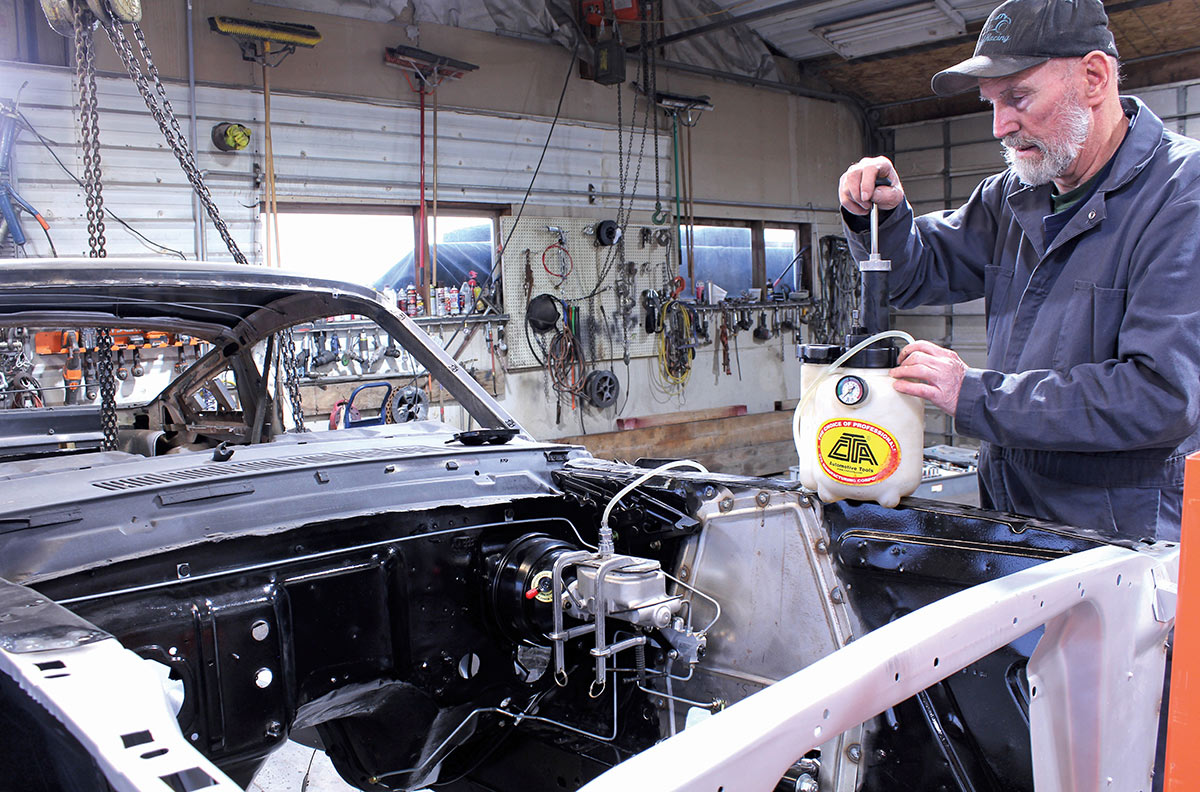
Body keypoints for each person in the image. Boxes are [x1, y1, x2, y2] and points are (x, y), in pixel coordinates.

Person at [838, 0, 1200, 542]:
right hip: (1013, 519)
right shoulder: (1014, 195)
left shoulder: (1181, 195)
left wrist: (973, 394)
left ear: (1094, 77)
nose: (1000, 127)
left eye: (1018, 98)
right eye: (991, 103)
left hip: (1121, 539)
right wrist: (882, 218)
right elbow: (914, 274)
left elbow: (1159, 396)